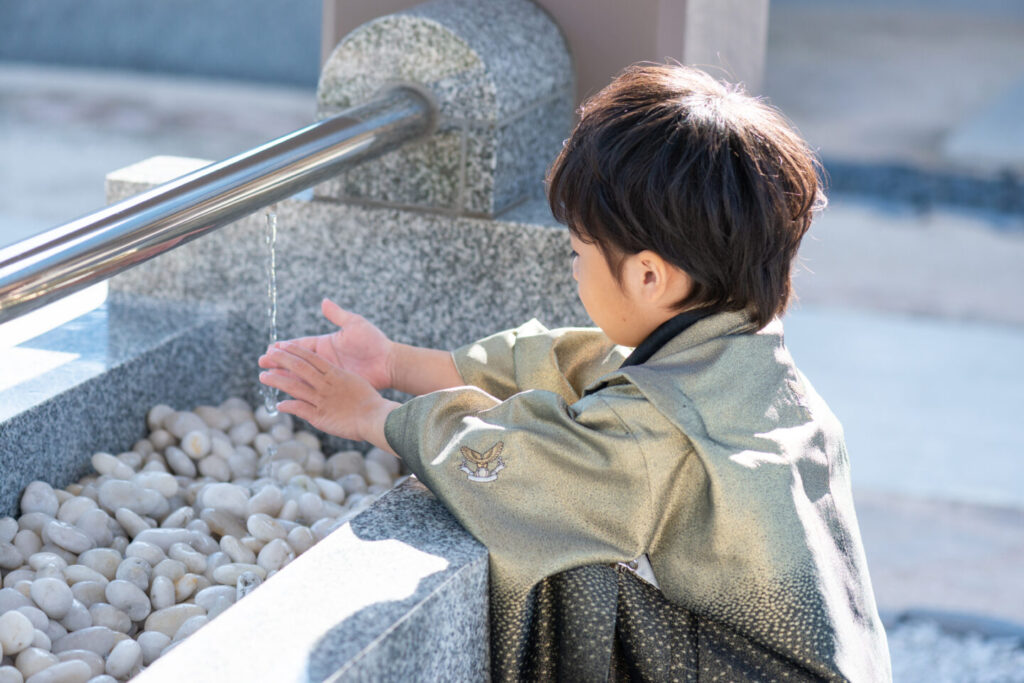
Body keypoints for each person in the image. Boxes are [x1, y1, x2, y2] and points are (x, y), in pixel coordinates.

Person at [258, 63, 891, 681]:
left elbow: (528, 470)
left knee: (564, 563)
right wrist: (395, 362)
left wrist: (376, 417)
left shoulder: (657, 429)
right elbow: (584, 364)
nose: (573, 267)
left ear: (648, 275)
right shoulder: (752, 363)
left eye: (577, 251)